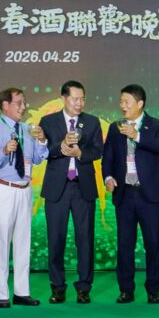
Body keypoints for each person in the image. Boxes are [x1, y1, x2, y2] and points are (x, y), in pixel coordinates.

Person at [38, 80, 106, 303]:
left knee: (84, 239)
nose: (79, 103)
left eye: (82, 99)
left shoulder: (92, 122)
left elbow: (98, 151)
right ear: (63, 98)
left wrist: (80, 154)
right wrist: (61, 146)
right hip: (56, 189)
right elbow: (43, 152)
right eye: (75, 99)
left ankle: (84, 287)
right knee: (55, 239)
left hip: (82, 187)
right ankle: (57, 287)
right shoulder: (48, 121)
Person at [103, 84, 159, 303]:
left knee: (153, 243)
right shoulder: (115, 127)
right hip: (125, 194)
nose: (122, 106)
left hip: (149, 195)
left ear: (140, 103)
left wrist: (137, 135)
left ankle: (153, 290)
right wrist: (108, 177)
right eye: (121, 102)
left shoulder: (157, 125)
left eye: (127, 102)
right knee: (125, 244)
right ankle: (126, 289)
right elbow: (108, 157)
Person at [0, 87, 45, 306]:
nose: (23, 107)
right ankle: (2, 295)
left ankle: (21, 291)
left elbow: (38, 158)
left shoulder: (28, 129)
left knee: (22, 241)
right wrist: (4, 151)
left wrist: (42, 140)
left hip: (24, 188)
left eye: (24, 102)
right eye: (19, 103)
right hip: (3, 188)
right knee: (1, 241)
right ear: (5, 105)